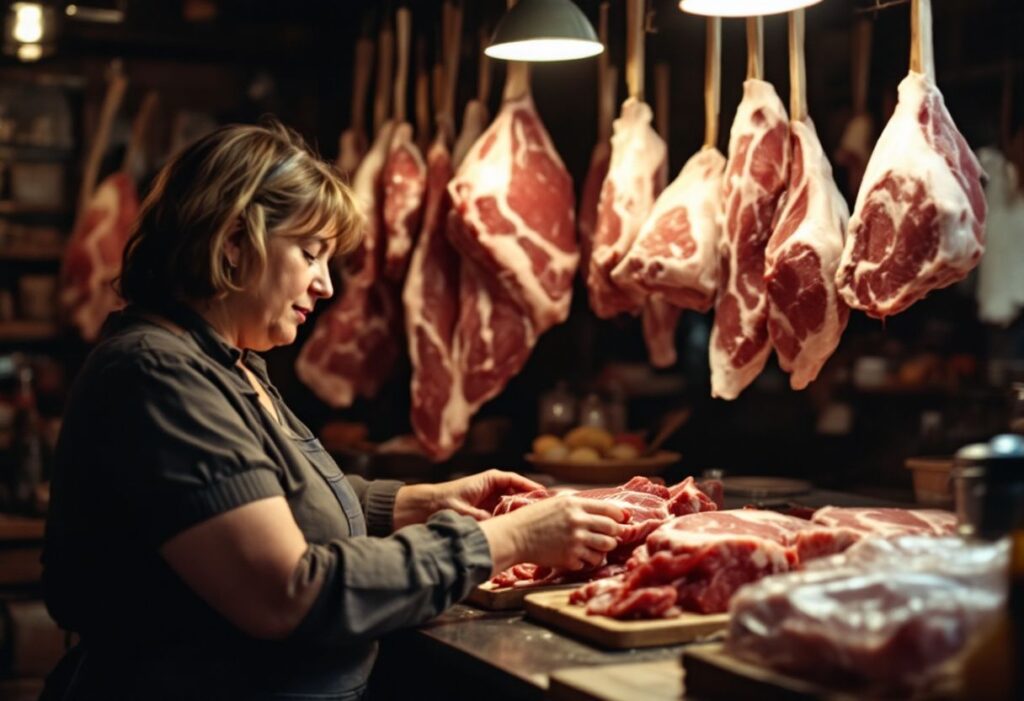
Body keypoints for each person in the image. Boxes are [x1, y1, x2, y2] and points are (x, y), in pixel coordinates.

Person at [41, 120, 627, 700]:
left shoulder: (227, 361)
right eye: (310, 253)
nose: (325, 285)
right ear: (234, 242)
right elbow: (287, 593)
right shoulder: (158, 372)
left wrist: (410, 503)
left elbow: (262, 497)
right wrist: (504, 541)